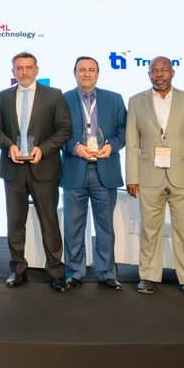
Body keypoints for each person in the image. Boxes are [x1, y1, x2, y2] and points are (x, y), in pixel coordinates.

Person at [125, 57, 184, 297]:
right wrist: (132, 177)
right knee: (150, 230)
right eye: (154, 71)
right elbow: (132, 143)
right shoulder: (136, 101)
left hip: (183, 176)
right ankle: (148, 276)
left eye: (164, 70)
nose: (159, 75)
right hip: (148, 175)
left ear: (173, 72)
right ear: (148, 74)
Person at [0, 52, 72, 291]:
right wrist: (9, 146)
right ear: (13, 71)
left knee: (49, 221)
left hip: (44, 168)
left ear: (37, 70)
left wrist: (43, 149)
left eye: (28, 67)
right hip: (13, 169)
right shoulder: (3, 96)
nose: (24, 72)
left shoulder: (54, 95)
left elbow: (64, 129)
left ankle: (56, 272)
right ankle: (18, 270)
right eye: (19, 68)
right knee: (15, 223)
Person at [59, 56, 128, 290]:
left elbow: (124, 130)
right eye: (82, 70)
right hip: (74, 170)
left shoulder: (114, 99)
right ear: (74, 73)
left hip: (105, 170)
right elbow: (57, 132)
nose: (86, 74)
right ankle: (74, 272)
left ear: (98, 74)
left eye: (91, 70)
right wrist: (74, 147)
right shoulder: (63, 100)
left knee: (105, 227)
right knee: (73, 227)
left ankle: (106, 273)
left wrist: (112, 146)